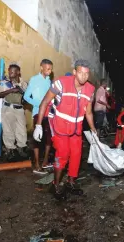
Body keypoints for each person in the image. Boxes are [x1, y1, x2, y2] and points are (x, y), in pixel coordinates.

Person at [33, 59, 96, 200]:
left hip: (76, 128)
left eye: (86, 74)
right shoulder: (61, 83)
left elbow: (89, 112)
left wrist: (93, 130)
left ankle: (71, 182)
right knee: (63, 154)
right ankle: (55, 185)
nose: (83, 77)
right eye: (80, 73)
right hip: (59, 126)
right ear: (74, 72)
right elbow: (44, 102)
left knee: (76, 154)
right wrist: (38, 125)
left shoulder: (90, 90)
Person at [24, 59, 53, 174]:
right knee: (37, 139)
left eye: (51, 69)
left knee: (49, 138)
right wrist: (39, 104)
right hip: (38, 112)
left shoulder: (49, 81)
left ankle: (45, 162)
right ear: (41, 67)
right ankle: (36, 165)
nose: (50, 71)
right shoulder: (34, 79)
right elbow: (26, 97)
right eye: (47, 69)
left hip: (49, 113)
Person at [0, 63, 28, 161]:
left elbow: (26, 97)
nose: (10, 74)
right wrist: (11, 90)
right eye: (9, 71)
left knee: (21, 130)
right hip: (8, 108)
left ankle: (21, 148)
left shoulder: (24, 84)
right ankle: (10, 150)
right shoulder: (4, 83)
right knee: (8, 130)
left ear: (18, 72)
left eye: (13, 72)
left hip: (20, 109)